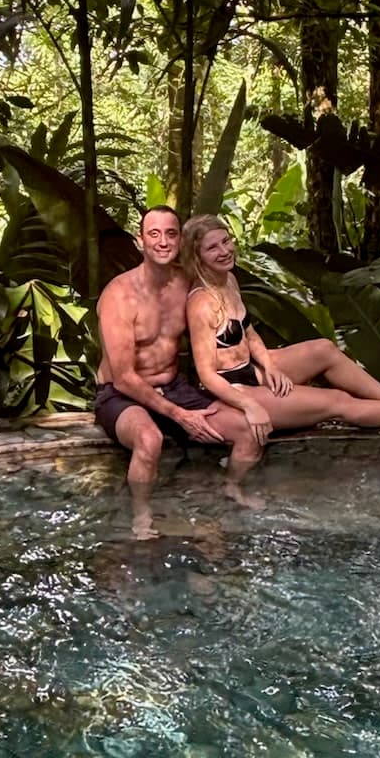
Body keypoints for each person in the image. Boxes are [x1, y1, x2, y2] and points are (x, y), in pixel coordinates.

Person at [179, 213, 380, 455]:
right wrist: (250, 405)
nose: (224, 251)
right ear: (198, 257)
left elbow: (249, 332)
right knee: (337, 401)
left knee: (324, 349)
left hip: (252, 369)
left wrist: (268, 365)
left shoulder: (229, 280)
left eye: (226, 241)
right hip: (232, 389)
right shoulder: (201, 303)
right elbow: (207, 375)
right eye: (212, 248)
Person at [95, 205, 265, 537]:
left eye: (170, 234)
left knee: (248, 430)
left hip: (174, 388)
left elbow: (227, 309)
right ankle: (142, 514)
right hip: (121, 395)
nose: (162, 242)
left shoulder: (187, 283)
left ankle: (231, 487)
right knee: (149, 439)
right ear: (140, 240)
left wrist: (263, 369)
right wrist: (179, 415)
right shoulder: (120, 295)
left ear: (180, 241)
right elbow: (124, 377)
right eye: (154, 234)